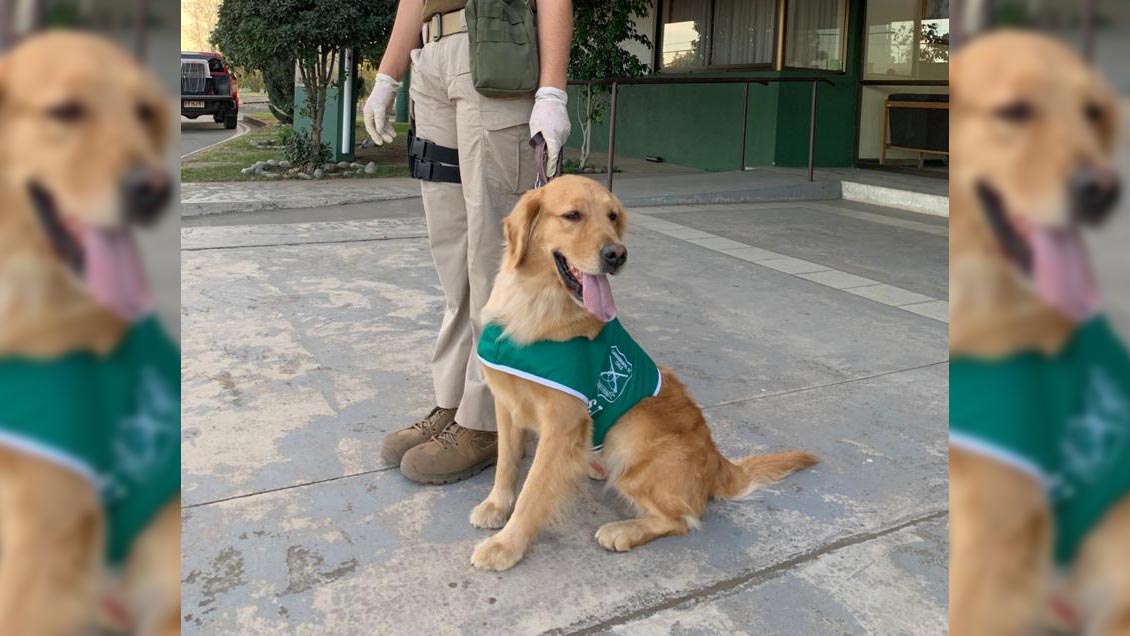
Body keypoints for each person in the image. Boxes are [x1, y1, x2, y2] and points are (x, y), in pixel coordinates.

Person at [364, 0, 573, 484]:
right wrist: (387, 77)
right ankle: (454, 400)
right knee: (452, 252)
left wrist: (552, 91)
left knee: (492, 255)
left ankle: (489, 420)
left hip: (495, 47)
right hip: (432, 58)